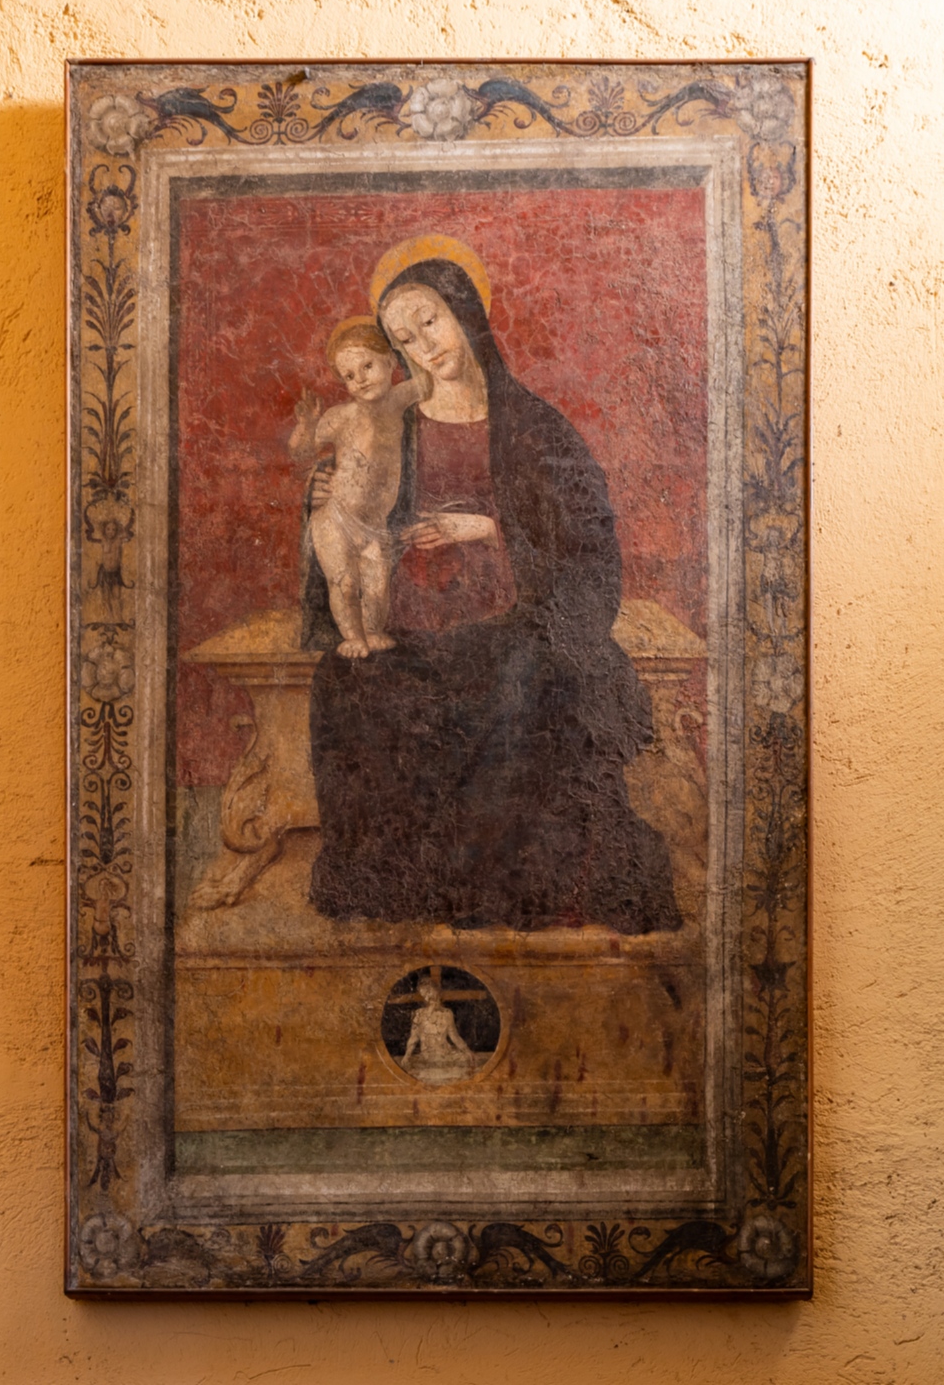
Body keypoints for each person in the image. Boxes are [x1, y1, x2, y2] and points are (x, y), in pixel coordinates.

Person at [302, 240, 679, 935]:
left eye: (430, 321)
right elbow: (356, 514)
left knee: (525, 683)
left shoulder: (532, 425)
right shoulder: (395, 424)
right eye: (404, 338)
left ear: (465, 314)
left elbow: (586, 539)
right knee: (346, 685)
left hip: (515, 627)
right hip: (411, 631)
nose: (424, 345)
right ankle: (405, 889)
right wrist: (329, 494)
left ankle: (503, 888)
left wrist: (485, 529)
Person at [287, 317, 433, 658]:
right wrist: (306, 425)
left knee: (377, 582)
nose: (360, 380)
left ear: (391, 361)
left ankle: (372, 631)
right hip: (335, 517)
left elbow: (429, 379)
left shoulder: (398, 400)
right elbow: (300, 452)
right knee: (345, 582)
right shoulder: (341, 416)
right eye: (350, 376)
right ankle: (352, 636)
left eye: (367, 366)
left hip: (373, 523)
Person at [401, 980, 476, 1084]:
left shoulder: (447, 1013)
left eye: (430, 992)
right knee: (410, 1065)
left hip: (445, 1054)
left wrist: (467, 1050)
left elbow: (455, 1037)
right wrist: (407, 1055)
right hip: (427, 1056)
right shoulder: (419, 1014)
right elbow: (413, 1038)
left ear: (438, 993)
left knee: (466, 1059)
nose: (429, 997)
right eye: (425, 994)